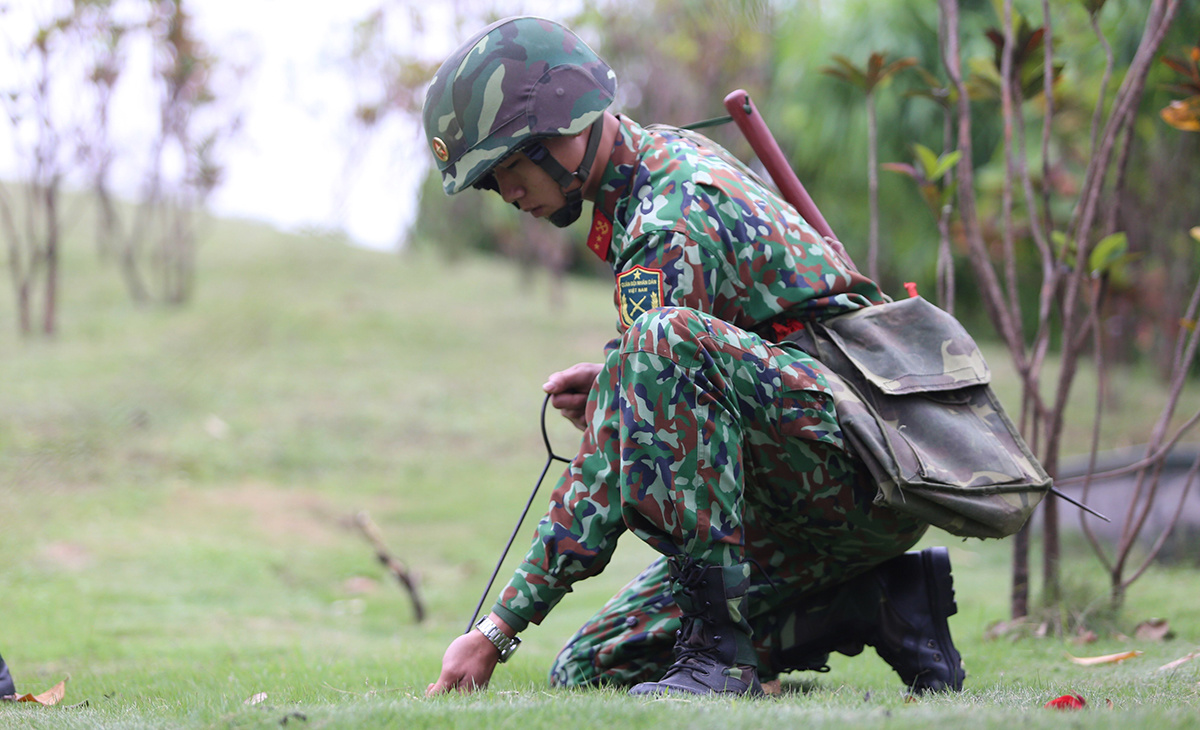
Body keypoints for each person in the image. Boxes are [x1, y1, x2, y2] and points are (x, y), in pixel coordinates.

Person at [422, 16, 965, 698]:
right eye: (491, 185)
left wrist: (497, 630)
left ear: (559, 130)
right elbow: (702, 370)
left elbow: (622, 447)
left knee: (659, 345)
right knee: (592, 668)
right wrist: (623, 391)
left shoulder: (667, 218)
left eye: (508, 169)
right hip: (812, 482)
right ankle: (883, 603)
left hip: (853, 477)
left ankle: (721, 657)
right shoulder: (654, 165)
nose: (509, 196)